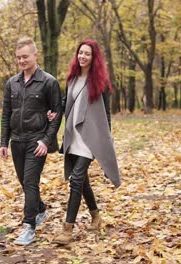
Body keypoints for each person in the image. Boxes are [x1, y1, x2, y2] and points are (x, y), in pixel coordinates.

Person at [48, 39, 121, 245]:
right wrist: (55, 113)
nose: (82, 57)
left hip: (91, 138)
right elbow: (66, 102)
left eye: (87, 54)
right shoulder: (72, 79)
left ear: (93, 57)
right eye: (80, 53)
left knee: (76, 179)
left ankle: (67, 230)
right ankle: (96, 216)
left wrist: (106, 140)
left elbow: (106, 113)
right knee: (82, 180)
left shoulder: (101, 83)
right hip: (73, 135)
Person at [0, 37, 62, 245]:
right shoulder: (12, 83)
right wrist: (3, 142)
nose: (22, 61)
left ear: (35, 55)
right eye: (18, 57)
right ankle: (40, 210)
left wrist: (46, 141)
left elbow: (57, 115)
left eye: (25, 56)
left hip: (37, 142)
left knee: (31, 182)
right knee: (25, 183)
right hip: (17, 141)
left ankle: (28, 227)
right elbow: (6, 113)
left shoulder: (49, 82)